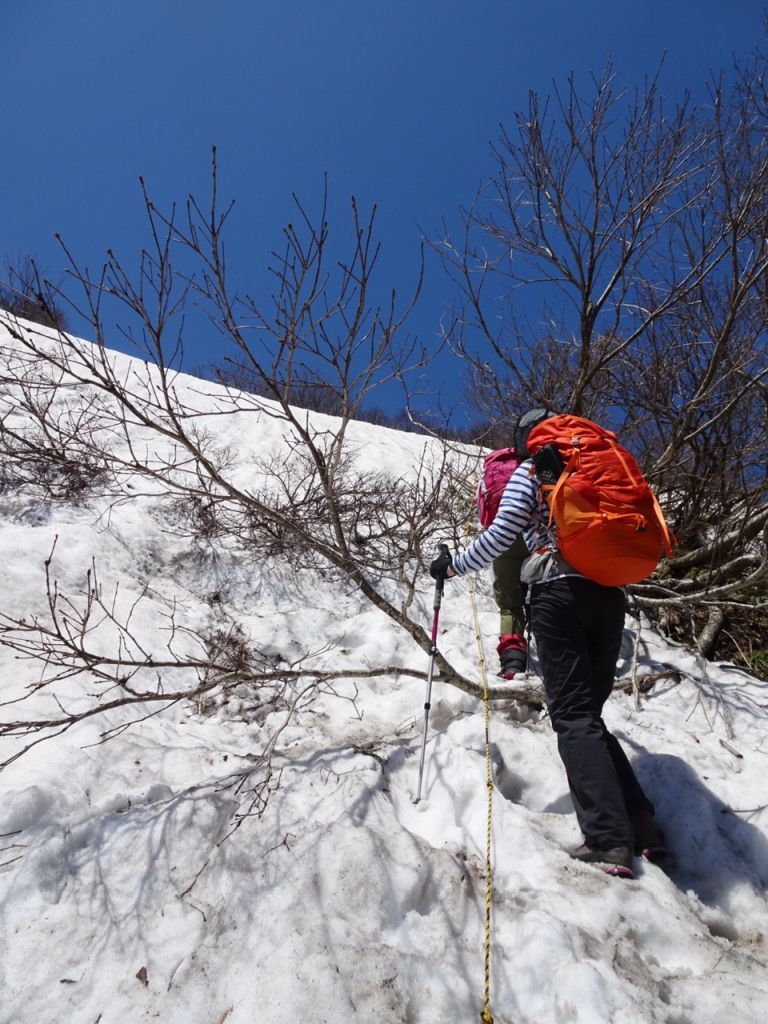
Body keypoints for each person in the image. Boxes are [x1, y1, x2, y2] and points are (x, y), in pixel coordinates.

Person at [431, 408, 664, 878]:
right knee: (587, 716)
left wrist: (452, 566)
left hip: (559, 592)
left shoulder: (532, 471)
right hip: (609, 596)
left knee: (573, 716)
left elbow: (501, 534)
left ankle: (608, 840)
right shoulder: (596, 471)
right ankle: (643, 825)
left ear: (527, 439)